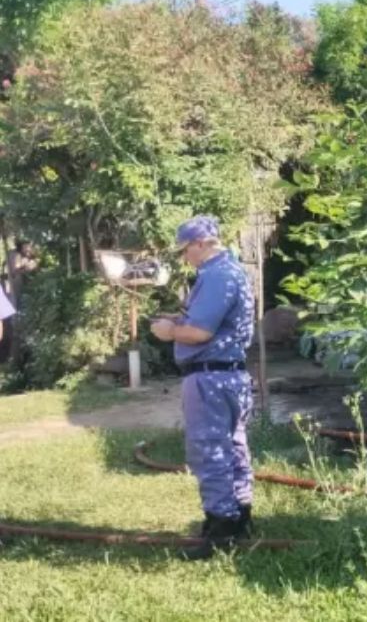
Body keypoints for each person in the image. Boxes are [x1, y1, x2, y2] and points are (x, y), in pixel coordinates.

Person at [150, 216, 256, 560]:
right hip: (231, 375)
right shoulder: (234, 271)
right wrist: (181, 320)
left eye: (185, 250)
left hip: (210, 377)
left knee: (210, 451)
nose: (184, 258)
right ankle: (240, 517)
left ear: (199, 243)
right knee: (234, 447)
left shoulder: (216, 276)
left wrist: (169, 330)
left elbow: (200, 334)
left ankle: (220, 531)